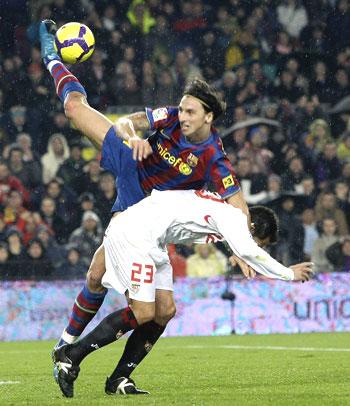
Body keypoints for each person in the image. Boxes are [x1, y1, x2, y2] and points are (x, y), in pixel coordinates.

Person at [39, 19, 249, 392]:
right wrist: (134, 135)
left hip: (149, 211)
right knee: (74, 108)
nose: (181, 116)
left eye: (190, 113)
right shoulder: (170, 117)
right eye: (181, 110)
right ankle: (54, 57)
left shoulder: (215, 157)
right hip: (131, 163)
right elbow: (128, 121)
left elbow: (237, 204)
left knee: (120, 288)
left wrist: (245, 249)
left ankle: (111, 372)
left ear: (209, 117)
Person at [53, 189, 314, 398]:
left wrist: (242, 251)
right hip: (134, 235)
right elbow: (248, 249)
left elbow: (242, 247)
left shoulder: (222, 210)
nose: (257, 247)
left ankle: (119, 377)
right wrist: (288, 274)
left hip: (155, 241)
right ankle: (71, 356)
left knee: (165, 311)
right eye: (260, 243)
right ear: (253, 226)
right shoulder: (233, 217)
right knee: (143, 312)